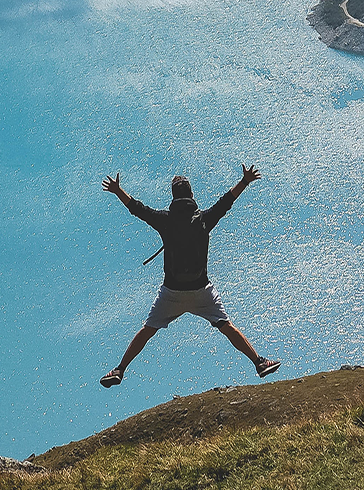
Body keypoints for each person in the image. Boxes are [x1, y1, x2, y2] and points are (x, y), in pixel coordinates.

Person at [98, 165, 281, 388]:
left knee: (147, 330)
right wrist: (245, 181)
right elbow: (226, 202)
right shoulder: (204, 219)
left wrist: (118, 190)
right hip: (201, 290)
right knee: (226, 325)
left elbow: (138, 209)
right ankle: (259, 362)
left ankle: (119, 369)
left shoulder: (164, 220)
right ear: (192, 195)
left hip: (172, 292)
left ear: (173, 197)